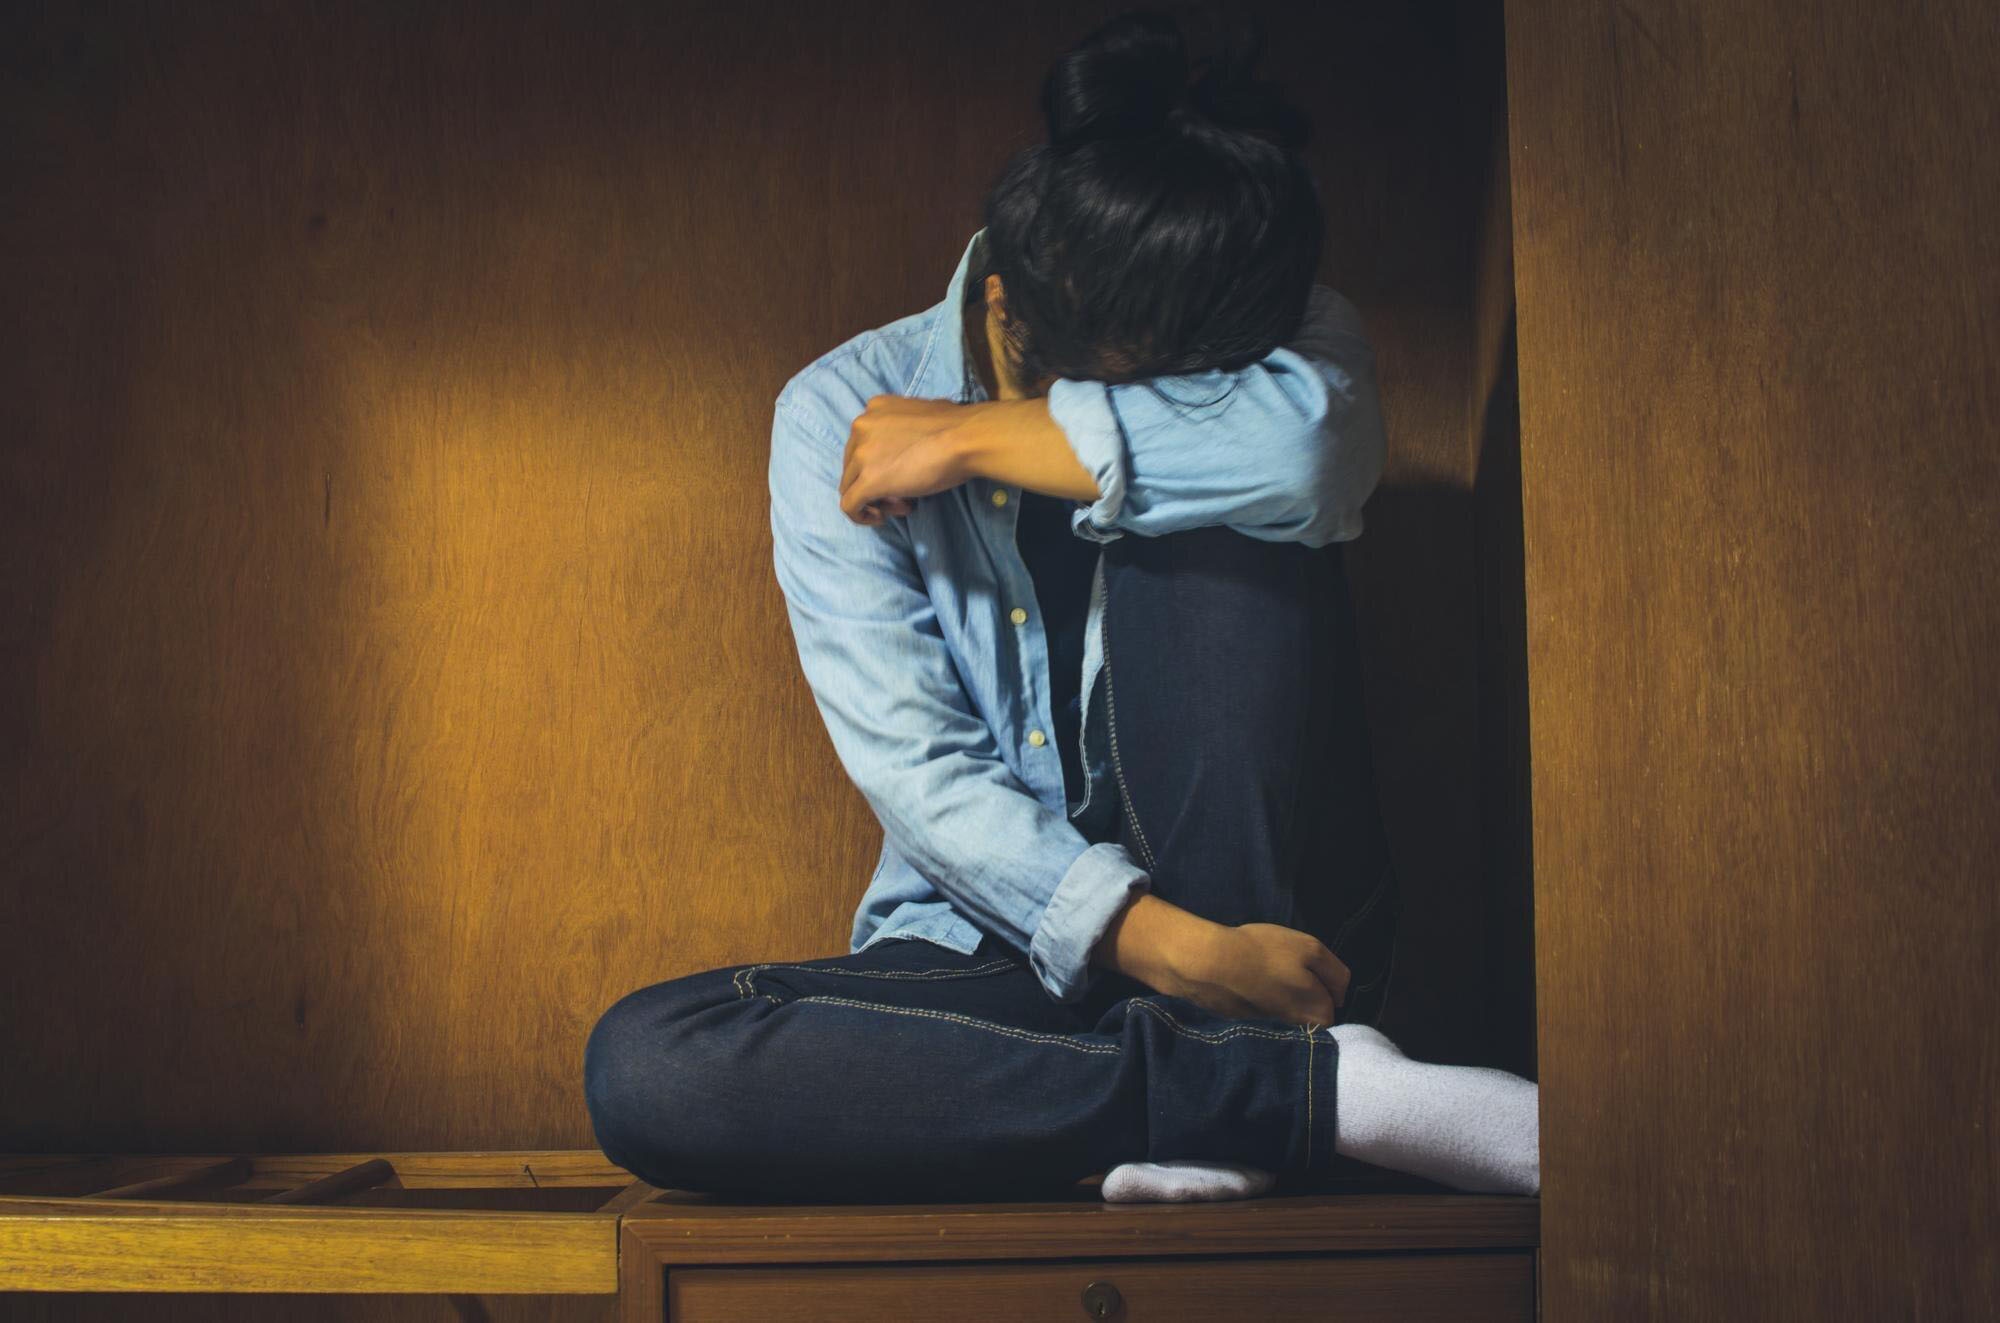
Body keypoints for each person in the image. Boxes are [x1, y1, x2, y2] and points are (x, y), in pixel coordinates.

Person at [583, 6, 1538, 1204]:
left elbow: (1306, 460)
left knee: (1220, 517)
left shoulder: (1244, 309)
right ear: (1009, 315)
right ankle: (1310, 1099)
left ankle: (1245, 1082)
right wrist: (1174, 954)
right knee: (648, 1067)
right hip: (1017, 951)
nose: (1193, 396)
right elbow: (921, 773)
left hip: (1279, 938)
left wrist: (978, 440)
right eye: (1149, 391)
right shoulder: (835, 410)